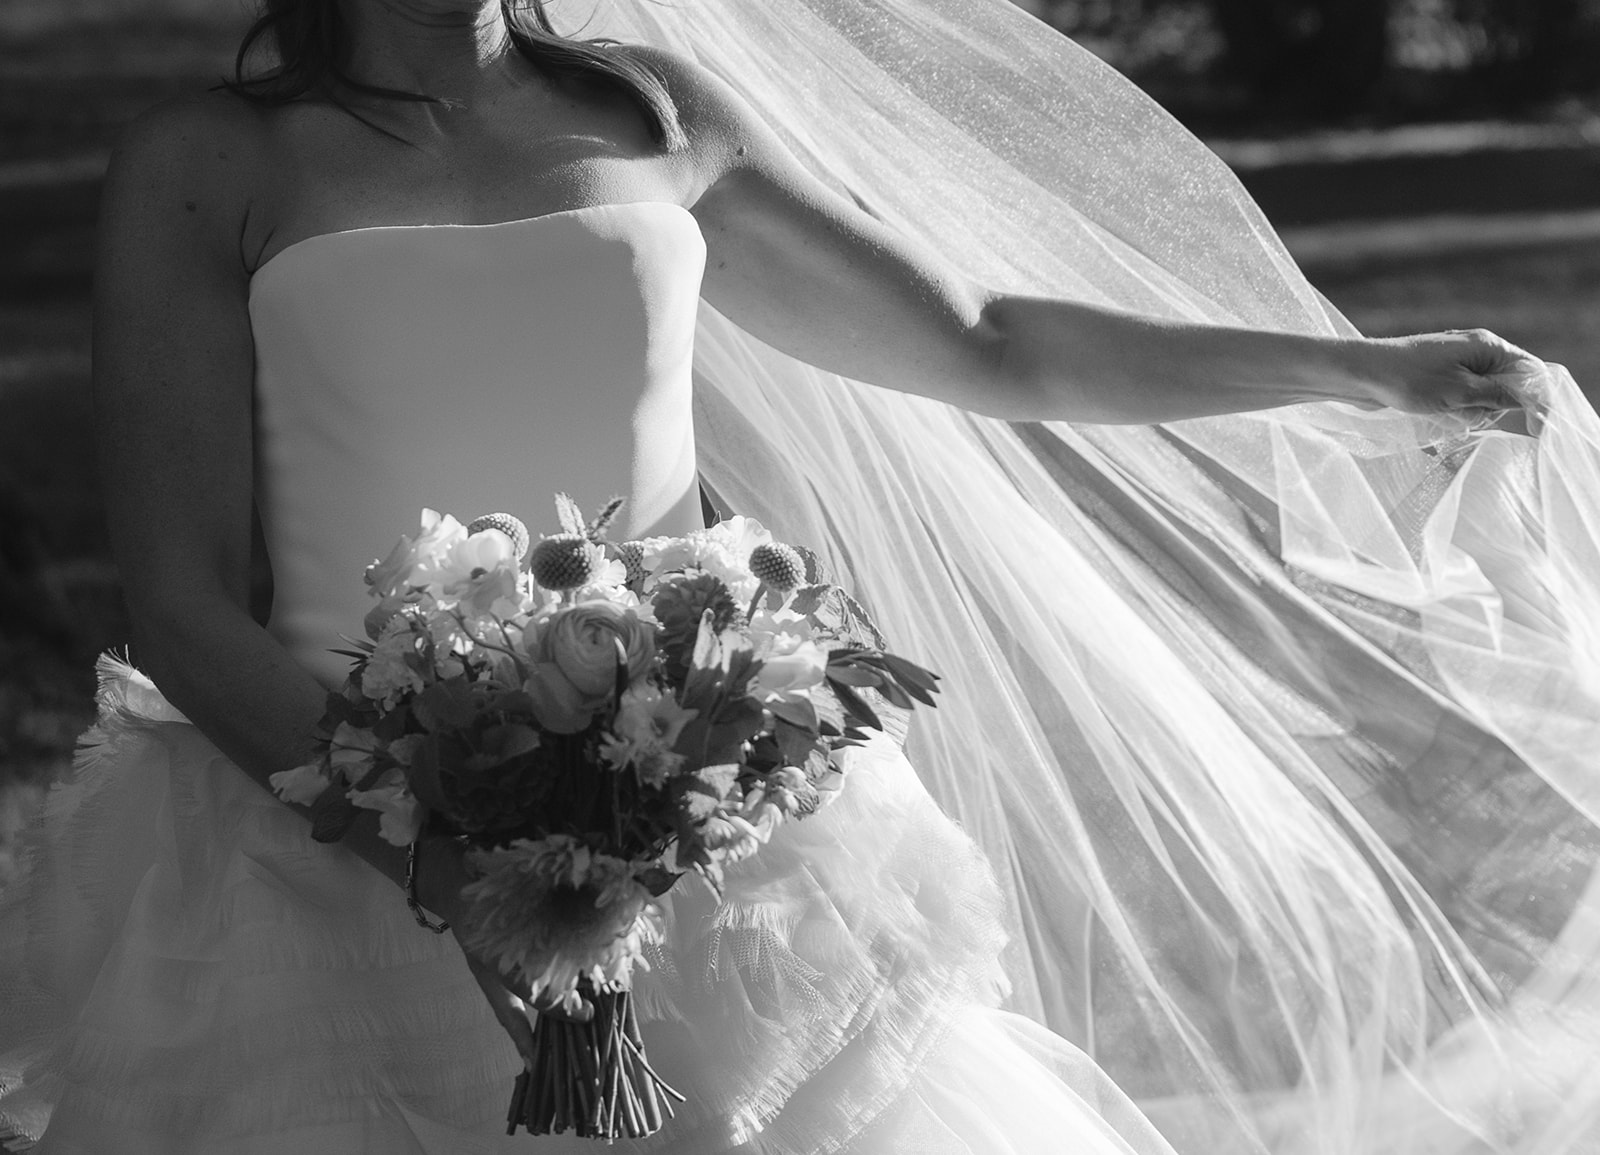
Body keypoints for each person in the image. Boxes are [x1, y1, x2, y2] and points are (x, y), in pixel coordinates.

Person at [4, 0, 1599, 1151]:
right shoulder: (211, 165)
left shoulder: (657, 115)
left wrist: (1357, 368)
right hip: (325, 852)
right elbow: (184, 600)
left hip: (695, 821)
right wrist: (452, 884)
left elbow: (991, 341)